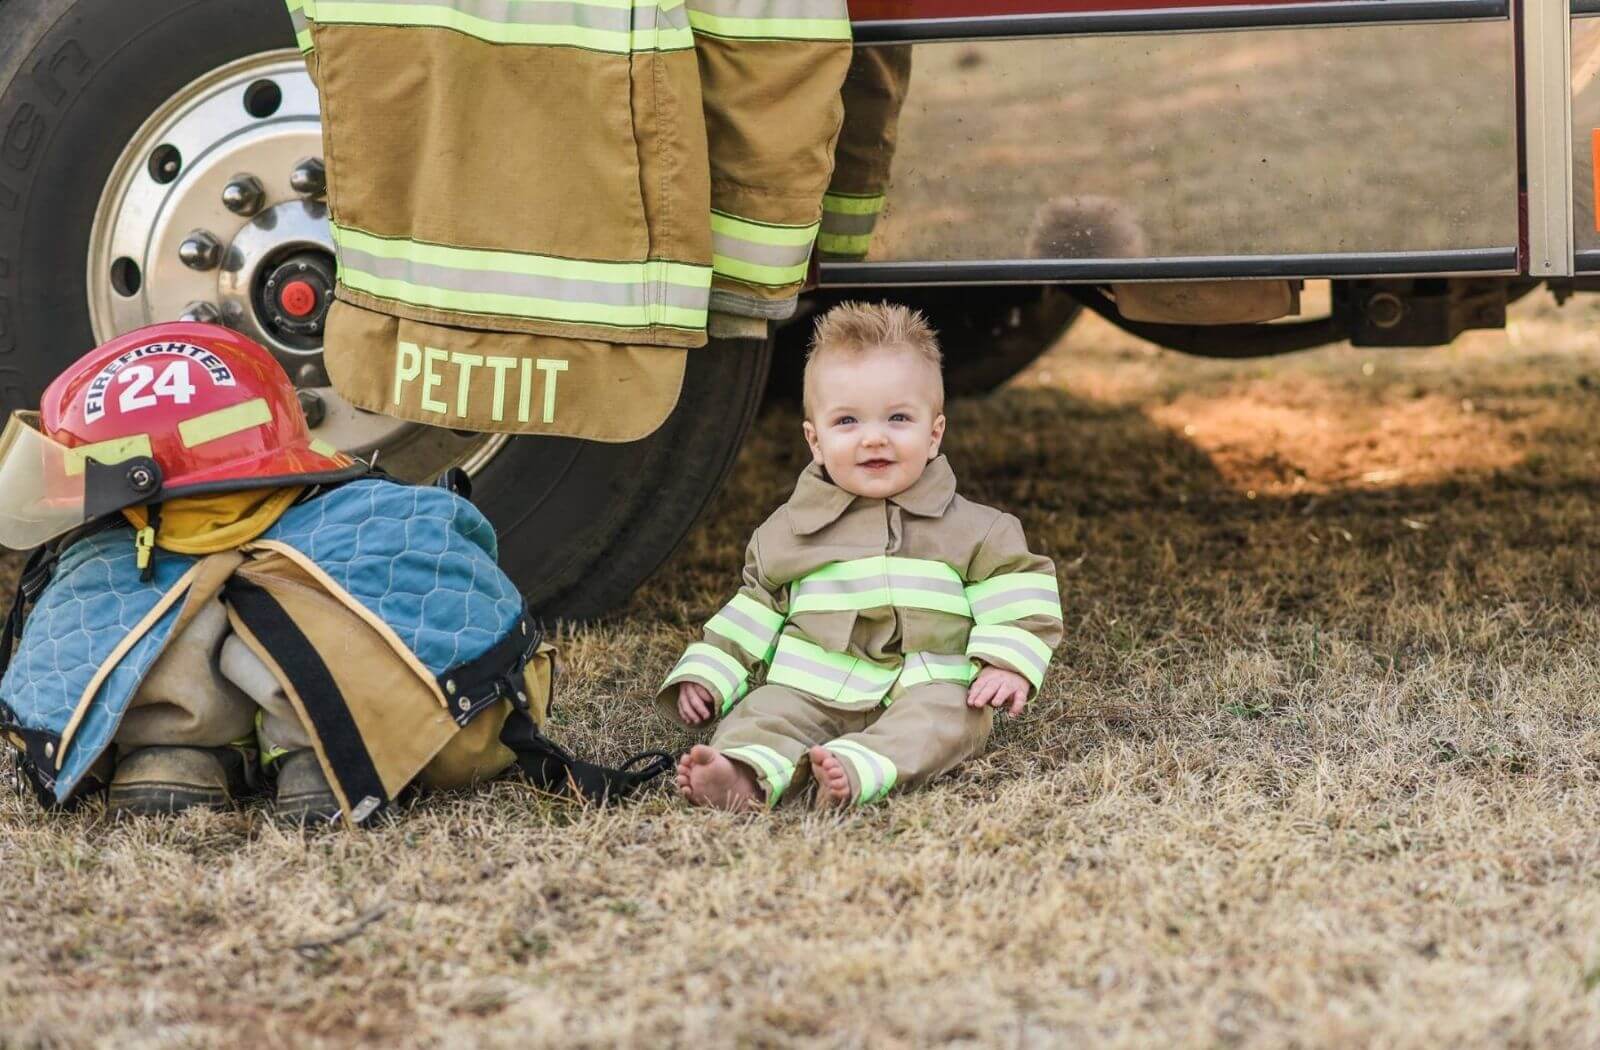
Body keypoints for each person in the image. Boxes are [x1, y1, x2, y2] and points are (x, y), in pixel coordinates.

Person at [0, 322, 665, 824]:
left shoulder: (111, 556)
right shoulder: (382, 520)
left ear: (149, 471)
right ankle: (314, 756)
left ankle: (172, 754)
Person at [657, 302, 1064, 809]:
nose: (874, 437)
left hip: (926, 681)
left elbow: (1019, 590)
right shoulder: (787, 533)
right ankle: (742, 771)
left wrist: (1006, 663)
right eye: (847, 421)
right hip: (812, 683)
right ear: (816, 441)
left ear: (934, 433)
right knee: (765, 713)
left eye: (898, 418)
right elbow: (754, 608)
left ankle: (856, 768)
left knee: (949, 719)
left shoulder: (977, 529)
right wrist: (709, 673)